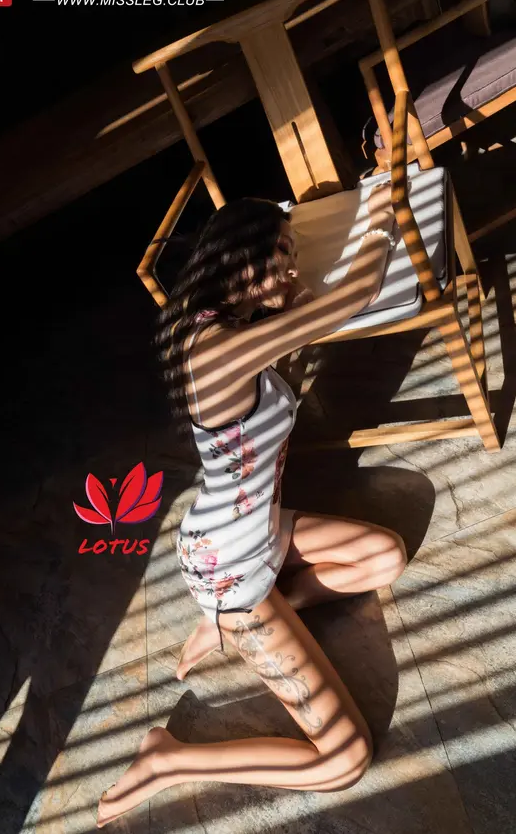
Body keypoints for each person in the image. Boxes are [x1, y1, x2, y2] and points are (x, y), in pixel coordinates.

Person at [97, 183, 407, 828]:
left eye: (292, 253)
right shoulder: (217, 350)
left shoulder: (229, 328)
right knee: (343, 760)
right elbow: (355, 296)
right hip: (231, 569)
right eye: (283, 253)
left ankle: (231, 627)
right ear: (241, 259)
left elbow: (305, 322)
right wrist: (383, 212)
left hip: (258, 529)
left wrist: (288, 299)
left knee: (385, 557)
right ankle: (170, 759)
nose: (292, 267)